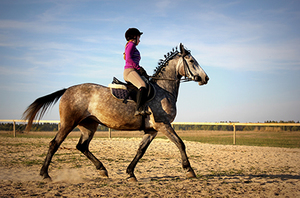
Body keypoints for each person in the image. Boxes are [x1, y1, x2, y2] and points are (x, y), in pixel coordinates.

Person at [123, 28, 151, 116]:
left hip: (133, 70)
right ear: (135, 37)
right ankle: (138, 109)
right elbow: (128, 59)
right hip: (130, 70)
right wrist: (139, 68)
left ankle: (143, 107)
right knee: (142, 85)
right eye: (139, 37)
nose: (139, 40)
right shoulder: (131, 44)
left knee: (147, 83)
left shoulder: (132, 46)